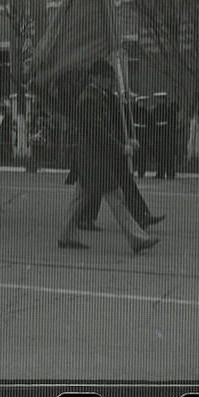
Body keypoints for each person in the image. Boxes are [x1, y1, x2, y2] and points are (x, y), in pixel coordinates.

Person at [58, 60, 159, 254]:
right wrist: (122, 148)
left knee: (79, 198)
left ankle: (65, 235)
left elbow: (105, 129)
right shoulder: (89, 99)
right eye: (106, 78)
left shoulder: (97, 96)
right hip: (93, 158)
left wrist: (126, 141)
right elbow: (97, 133)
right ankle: (137, 238)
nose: (110, 82)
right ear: (96, 77)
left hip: (91, 157)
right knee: (116, 196)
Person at [152, 92, 177, 179]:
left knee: (169, 155)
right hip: (158, 136)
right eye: (158, 99)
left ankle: (170, 172)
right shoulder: (154, 111)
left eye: (161, 99)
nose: (159, 101)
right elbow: (152, 124)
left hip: (167, 136)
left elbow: (173, 124)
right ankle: (160, 172)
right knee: (160, 156)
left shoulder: (169, 110)